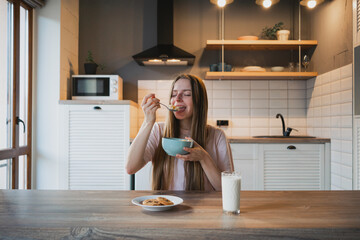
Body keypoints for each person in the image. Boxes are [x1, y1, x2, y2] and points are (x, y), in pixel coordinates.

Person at [126, 74, 234, 191]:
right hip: (166, 205)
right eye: (173, 94)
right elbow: (130, 168)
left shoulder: (217, 136)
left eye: (187, 94)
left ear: (200, 101)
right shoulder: (158, 131)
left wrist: (204, 158)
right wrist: (148, 121)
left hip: (204, 208)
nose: (177, 99)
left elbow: (229, 189)